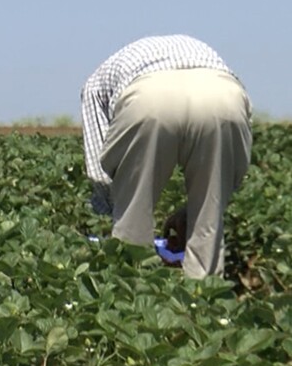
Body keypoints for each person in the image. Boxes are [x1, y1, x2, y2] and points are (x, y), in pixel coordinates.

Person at [80, 35, 252, 279]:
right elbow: (229, 169)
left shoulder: (97, 81)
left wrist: (114, 208)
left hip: (150, 98)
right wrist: (192, 213)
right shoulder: (200, 52)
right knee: (209, 220)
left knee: (132, 222)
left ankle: (130, 295)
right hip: (223, 95)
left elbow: (101, 169)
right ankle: (203, 299)